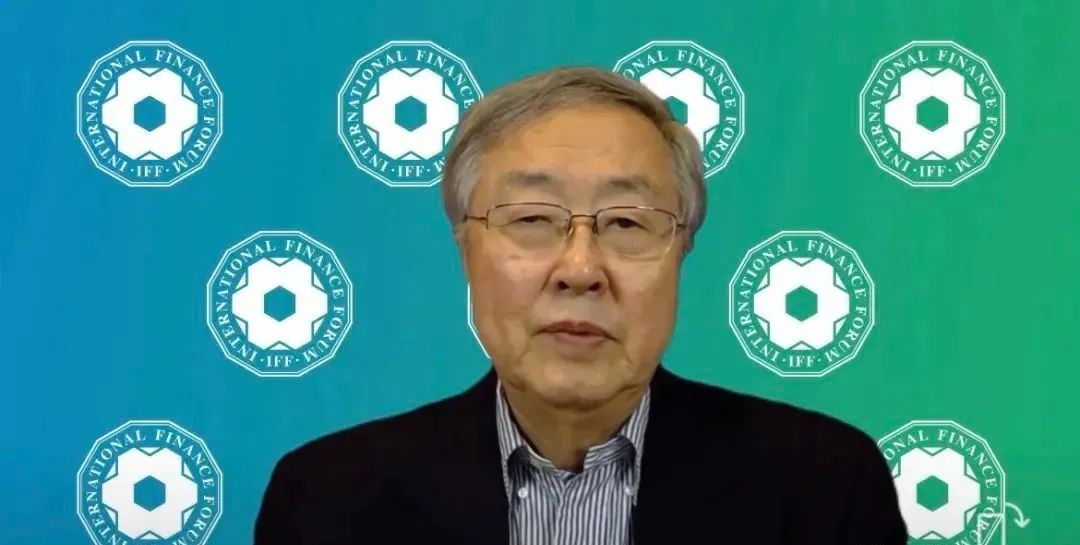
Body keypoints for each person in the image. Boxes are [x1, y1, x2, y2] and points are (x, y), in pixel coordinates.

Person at [253, 66, 908, 545]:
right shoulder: (328, 499)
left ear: (681, 252)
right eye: (532, 218)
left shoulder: (823, 489)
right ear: (465, 248)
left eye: (626, 222)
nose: (580, 269)